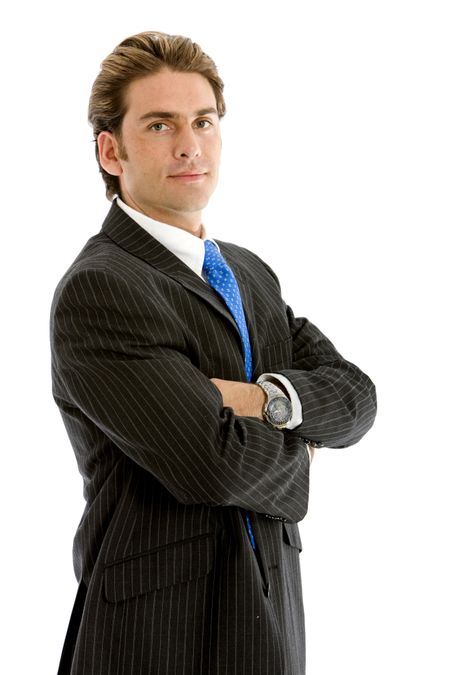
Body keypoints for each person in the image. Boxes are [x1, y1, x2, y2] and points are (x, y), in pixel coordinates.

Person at [50, 31, 377, 675]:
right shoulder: (101, 287)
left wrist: (261, 401)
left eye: (203, 121)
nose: (188, 144)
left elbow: (357, 396)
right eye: (160, 124)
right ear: (110, 151)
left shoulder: (250, 274)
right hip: (154, 639)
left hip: (270, 619)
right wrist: (304, 445)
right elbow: (213, 465)